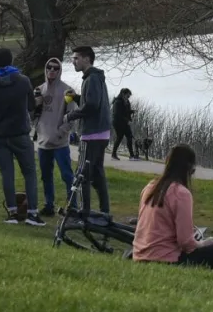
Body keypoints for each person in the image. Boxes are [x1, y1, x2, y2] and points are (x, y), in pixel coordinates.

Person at [133, 144, 213, 269]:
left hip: (139, 256)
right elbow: (186, 243)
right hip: (167, 259)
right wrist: (203, 244)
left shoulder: (149, 187)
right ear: (190, 169)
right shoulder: (181, 193)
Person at [0, 48, 45, 226]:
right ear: (11, 61)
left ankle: (13, 213)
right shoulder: (23, 81)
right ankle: (32, 213)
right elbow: (31, 106)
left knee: (7, 174)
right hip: (20, 134)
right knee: (29, 173)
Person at [64, 46, 112, 217]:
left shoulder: (91, 78)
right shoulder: (95, 77)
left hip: (92, 134)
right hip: (101, 133)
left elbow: (91, 106)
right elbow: (91, 102)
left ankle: (84, 213)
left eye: (76, 58)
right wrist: (76, 97)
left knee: (82, 174)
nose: (73, 61)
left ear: (86, 59)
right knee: (97, 173)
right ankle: (105, 212)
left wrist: (70, 116)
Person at [33, 58, 76, 217]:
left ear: (60, 71)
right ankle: (48, 205)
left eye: (56, 68)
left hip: (60, 143)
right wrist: (35, 106)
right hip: (43, 142)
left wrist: (61, 132)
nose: (52, 70)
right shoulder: (39, 90)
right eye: (49, 67)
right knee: (46, 176)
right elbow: (33, 114)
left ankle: (73, 207)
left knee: (67, 175)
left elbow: (72, 116)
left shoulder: (67, 91)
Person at [111, 88, 139, 161]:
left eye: (129, 96)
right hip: (118, 122)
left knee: (129, 137)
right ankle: (114, 154)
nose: (128, 97)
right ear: (123, 94)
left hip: (125, 123)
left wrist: (132, 111)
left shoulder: (127, 102)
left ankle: (131, 155)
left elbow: (126, 111)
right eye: (128, 95)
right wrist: (127, 120)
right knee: (120, 137)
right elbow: (117, 114)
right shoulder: (118, 102)